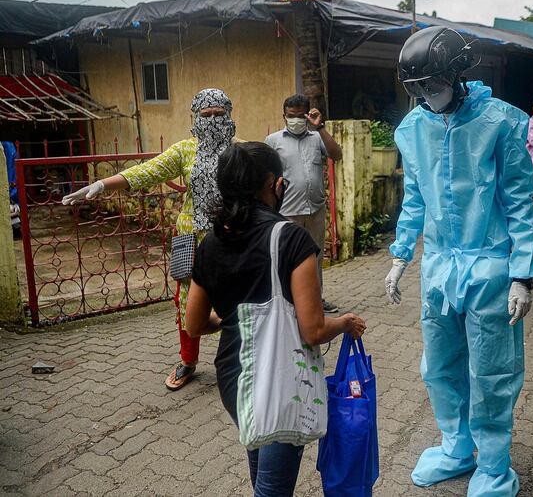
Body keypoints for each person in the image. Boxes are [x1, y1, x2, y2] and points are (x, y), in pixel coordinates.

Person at [384, 26, 533, 496]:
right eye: (416, 88)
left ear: (457, 73)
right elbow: (414, 198)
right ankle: (456, 447)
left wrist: (522, 274)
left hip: (490, 267)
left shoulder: (501, 121)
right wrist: (400, 257)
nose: (426, 96)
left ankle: (493, 467)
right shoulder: (412, 129)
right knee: (439, 366)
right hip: (438, 269)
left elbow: (518, 200)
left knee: (491, 373)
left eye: (432, 84)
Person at [185, 142, 365, 496]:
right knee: (271, 489)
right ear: (273, 183)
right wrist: (344, 323)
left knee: (260, 459)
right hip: (280, 378)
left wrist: (230, 320)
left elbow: (193, 325)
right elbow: (312, 330)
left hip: (233, 376)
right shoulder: (291, 239)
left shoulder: (211, 242)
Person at [62, 88, 236, 391]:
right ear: (195, 116)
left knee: (237, 296)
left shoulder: (241, 150)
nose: (211, 120)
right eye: (205, 115)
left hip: (231, 238)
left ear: (229, 114)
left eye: (218, 114)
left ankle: (239, 358)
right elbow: (147, 171)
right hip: (191, 239)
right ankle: (188, 361)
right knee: (185, 302)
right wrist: (102, 184)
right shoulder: (185, 150)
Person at [266, 94, 342, 314]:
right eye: (292, 116)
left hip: (315, 209)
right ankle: (290, 302)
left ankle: (316, 300)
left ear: (308, 116)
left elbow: (336, 154)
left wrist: (320, 128)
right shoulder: (273, 140)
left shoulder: (316, 137)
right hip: (287, 212)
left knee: (315, 257)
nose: (296, 120)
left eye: (301, 116)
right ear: (284, 116)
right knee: (288, 257)